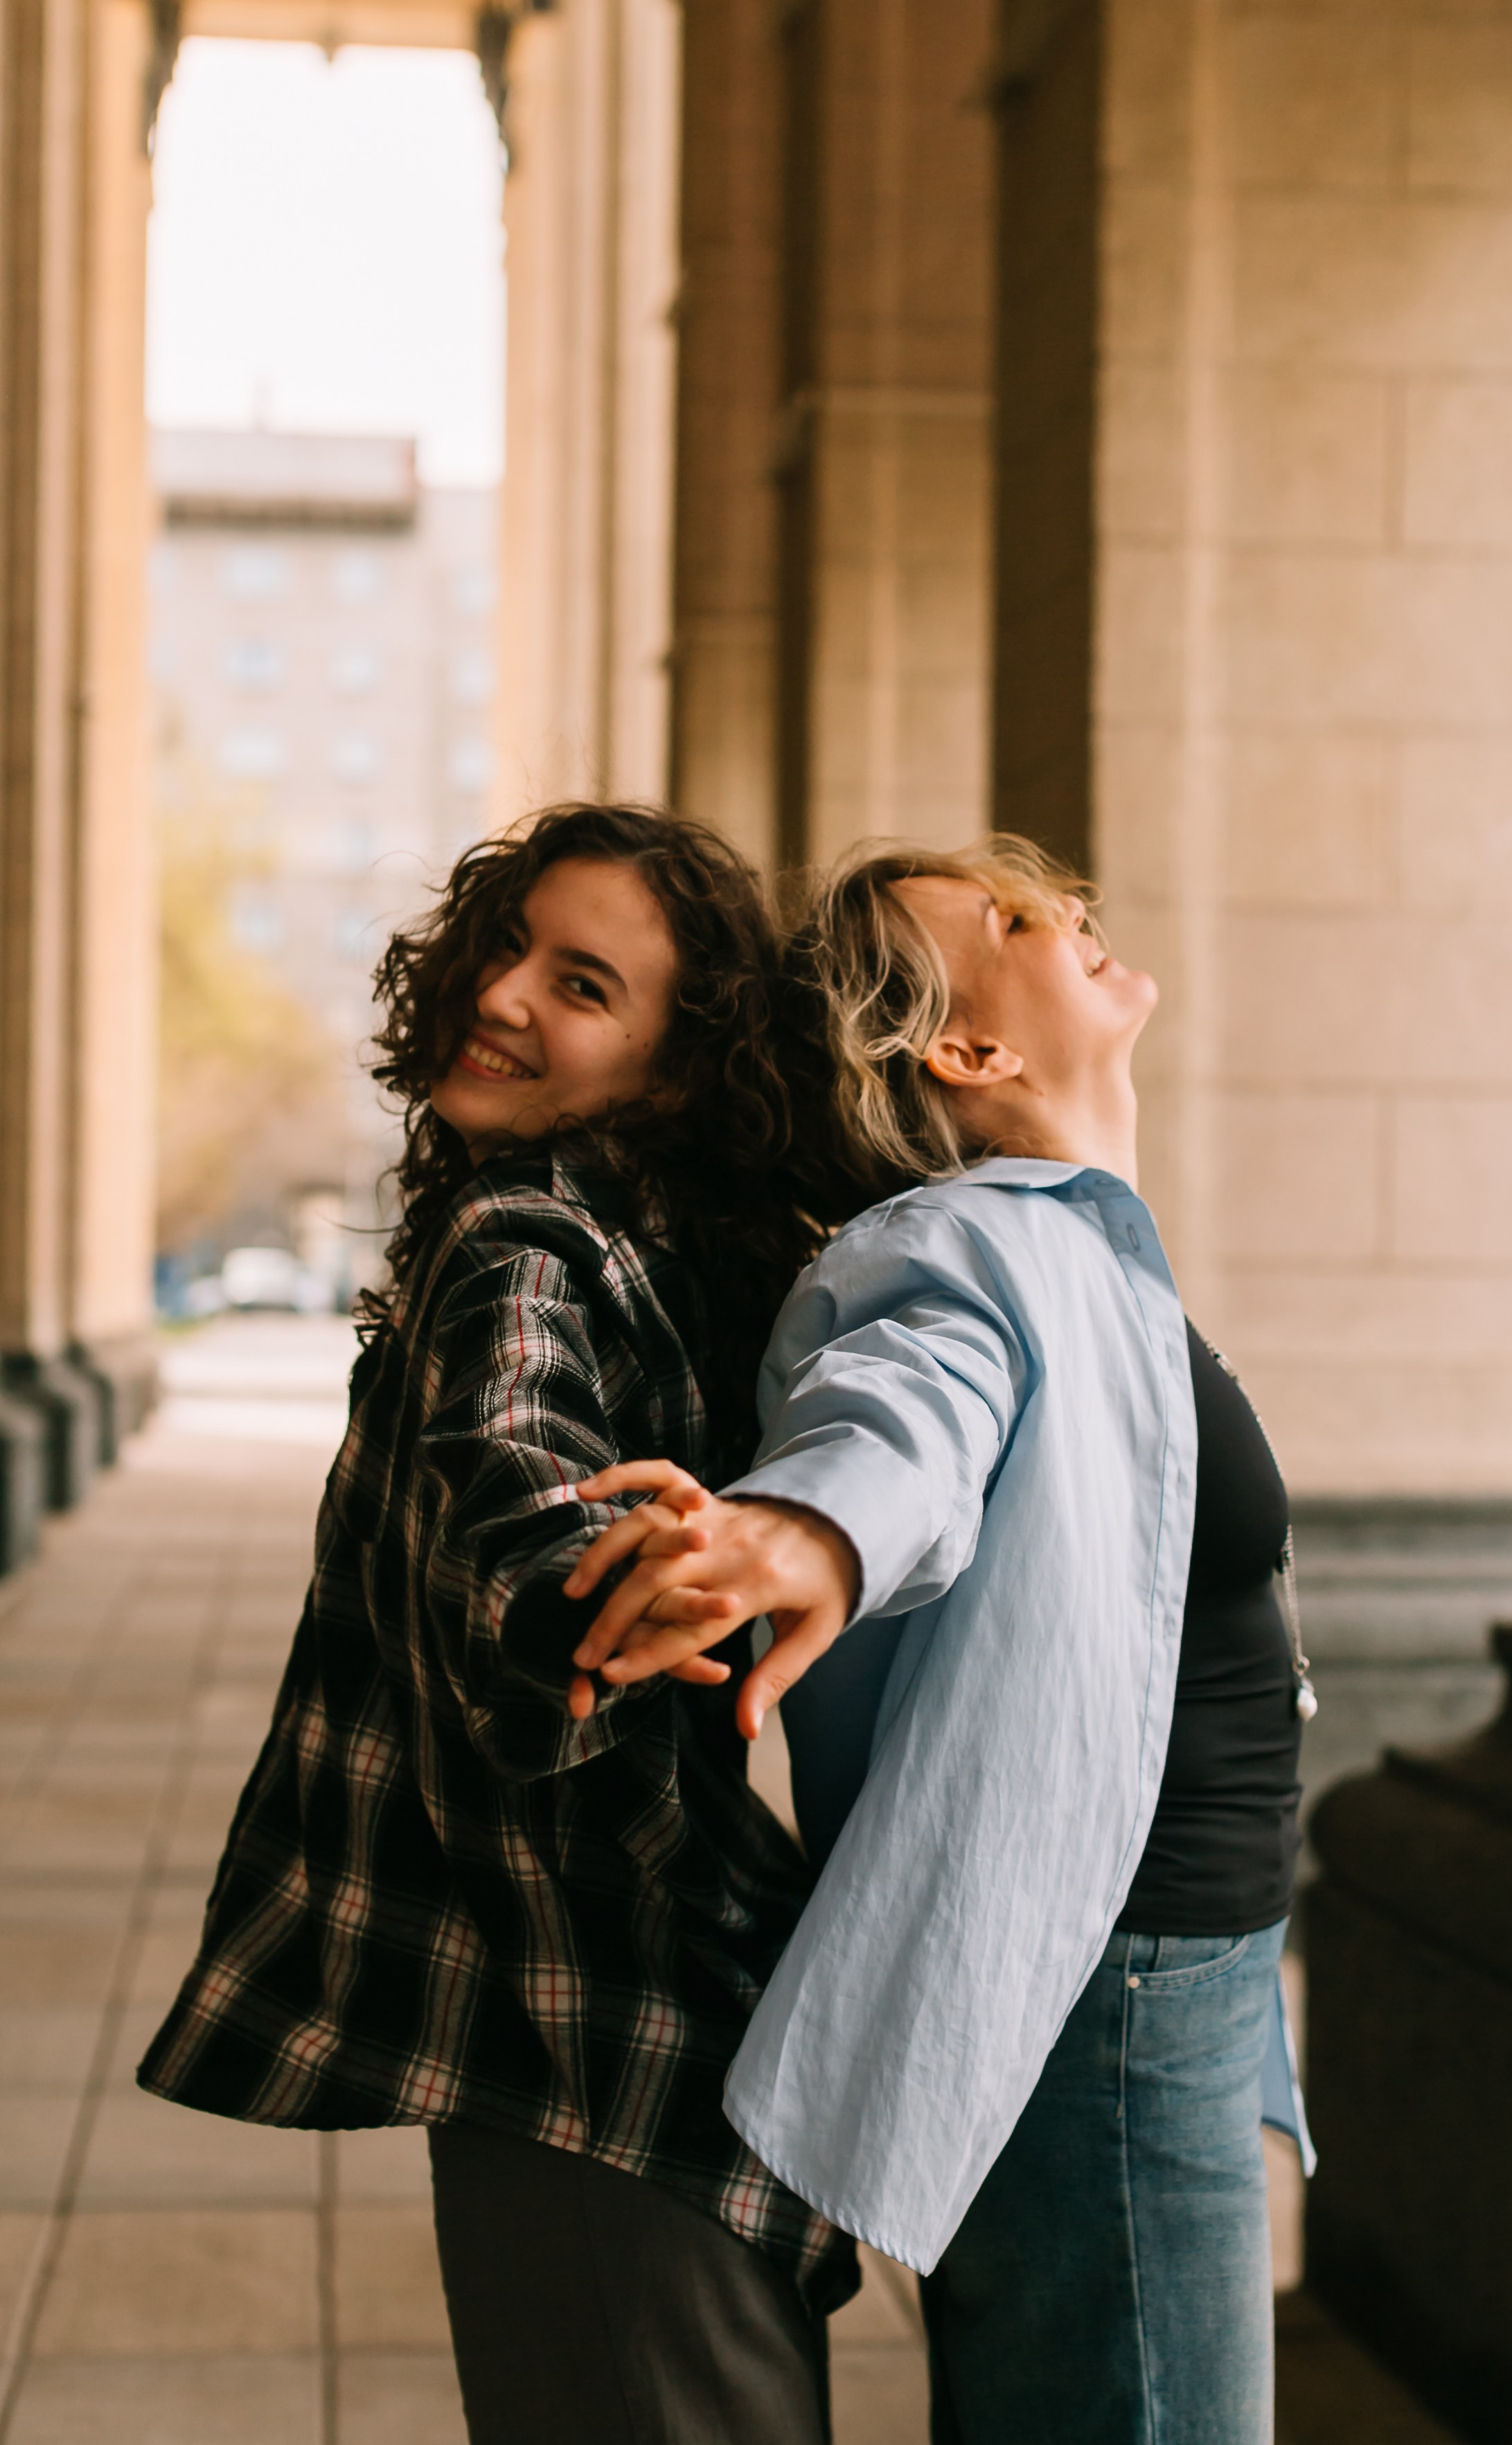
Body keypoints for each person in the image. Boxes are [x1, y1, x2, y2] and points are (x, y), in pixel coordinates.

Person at [567, 835, 1308, 2445]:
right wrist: (809, 1530)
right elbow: (907, 1413)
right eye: (1028, 918)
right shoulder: (956, 1250)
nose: (1080, 921)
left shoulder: (1079, 1241)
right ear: (963, 1049)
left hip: (1158, 1968)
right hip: (1112, 1984)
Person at [138, 804, 859, 2445]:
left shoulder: (519, 1237)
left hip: (594, 2060)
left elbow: (514, 1490)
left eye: (584, 982)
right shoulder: (644, 1248)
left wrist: (575, 1601)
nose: (508, 992)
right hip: (634, 2026)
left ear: (676, 1073)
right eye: (514, 943)